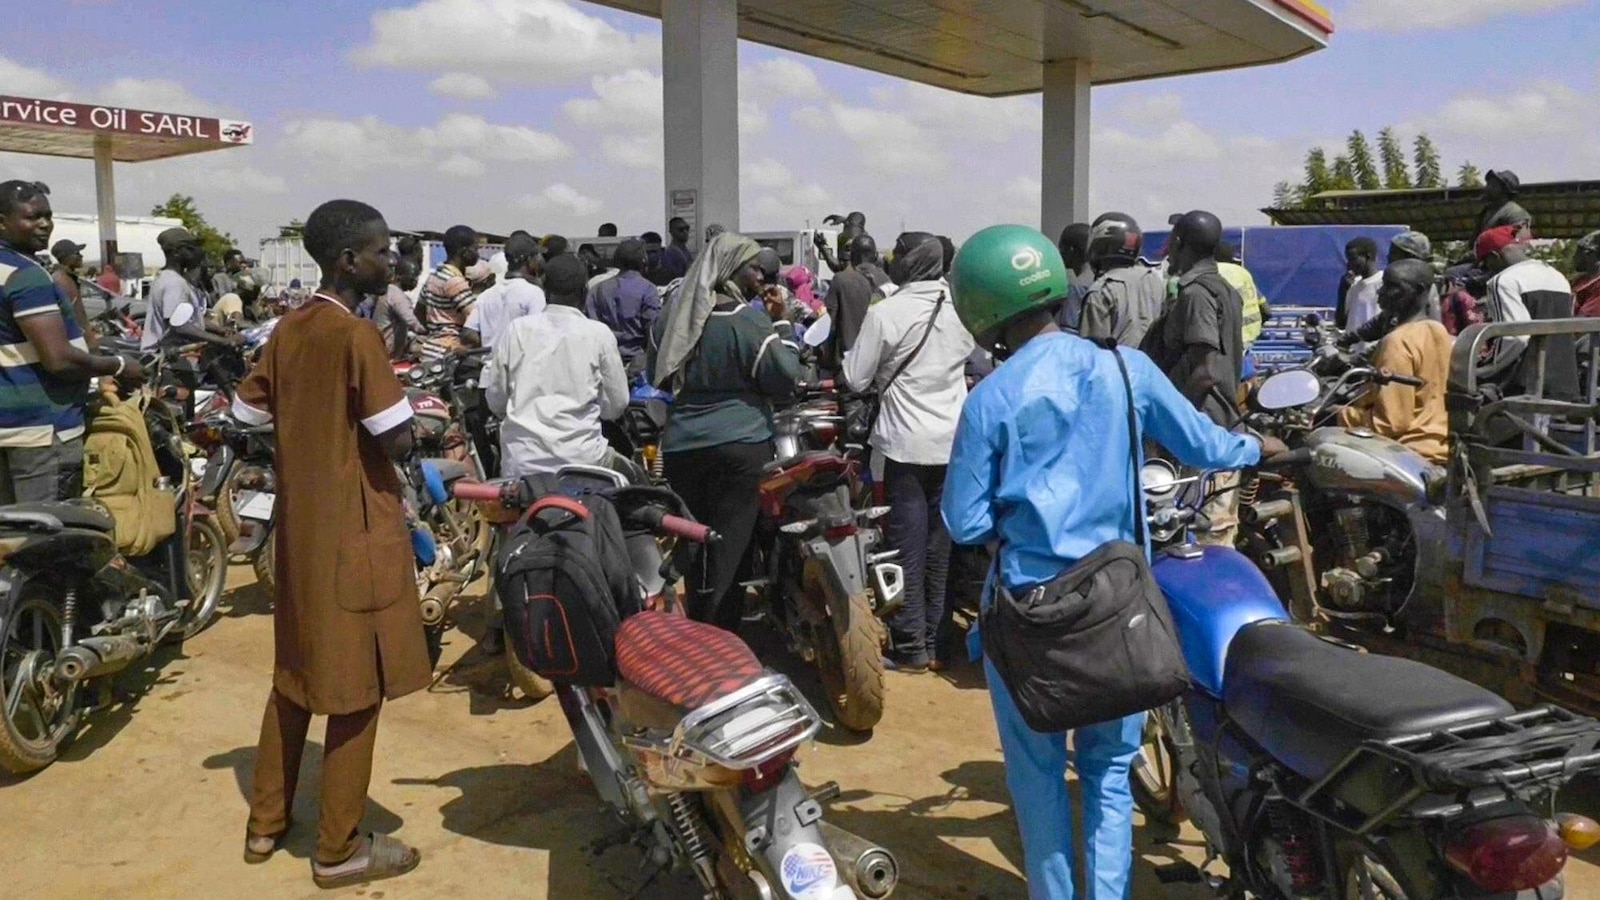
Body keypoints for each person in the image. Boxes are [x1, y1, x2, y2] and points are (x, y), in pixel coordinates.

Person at [941, 224, 1283, 900]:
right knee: (1108, 773)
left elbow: (965, 521)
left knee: (1037, 780)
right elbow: (1205, 444)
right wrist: (1256, 449)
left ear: (980, 311)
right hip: (1120, 605)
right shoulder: (1127, 368)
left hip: (1027, 614)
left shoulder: (990, 401)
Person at [231, 199, 427, 889]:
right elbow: (396, 437)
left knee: (294, 675)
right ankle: (339, 849)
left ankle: (265, 822)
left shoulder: (289, 327)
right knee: (355, 690)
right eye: (382, 251)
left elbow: (245, 410)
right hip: (354, 531)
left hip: (300, 533)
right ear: (349, 261)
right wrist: (418, 429)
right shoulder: (356, 335)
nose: (390, 261)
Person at [649, 232, 803, 631]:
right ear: (732, 270)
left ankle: (699, 627)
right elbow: (786, 377)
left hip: (682, 447)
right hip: (742, 446)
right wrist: (783, 324)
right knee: (731, 551)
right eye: (753, 268)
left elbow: (655, 374)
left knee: (695, 543)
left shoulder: (671, 320)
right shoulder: (746, 320)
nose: (759, 277)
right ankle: (722, 638)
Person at [842, 233, 973, 672]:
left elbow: (856, 378)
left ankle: (911, 646)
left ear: (909, 261)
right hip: (953, 442)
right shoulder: (961, 308)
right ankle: (938, 643)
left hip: (905, 444)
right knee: (941, 548)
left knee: (905, 548)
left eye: (897, 254)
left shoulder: (887, 312)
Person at [0, 180, 142, 503]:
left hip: (8, 426)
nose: (44, 224)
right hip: (41, 431)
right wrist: (119, 365)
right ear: (2, 222)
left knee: (9, 529)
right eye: (32, 217)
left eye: (48, 216)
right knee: (46, 528)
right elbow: (59, 359)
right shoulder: (26, 275)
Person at [1144, 211, 1246, 547]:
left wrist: (1171, 420)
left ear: (1178, 243)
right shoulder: (1226, 290)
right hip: (1217, 427)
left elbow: (1205, 371)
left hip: (1201, 432)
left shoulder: (1197, 294)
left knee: (1204, 537)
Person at [484, 254, 629, 477]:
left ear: (545, 290)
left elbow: (496, 399)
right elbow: (617, 405)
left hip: (522, 463)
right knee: (633, 477)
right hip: (584, 461)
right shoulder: (599, 334)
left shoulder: (517, 330)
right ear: (584, 293)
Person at [1337, 259, 1453, 463]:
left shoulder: (1397, 341)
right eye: (1384, 285)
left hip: (1409, 450)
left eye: (1392, 287)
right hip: (1441, 444)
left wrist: (1339, 415)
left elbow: (1391, 422)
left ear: (1419, 291)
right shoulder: (1438, 331)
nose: (1381, 293)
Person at [1477, 224, 1579, 402]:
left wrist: (1484, 369)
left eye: (1485, 265)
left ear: (1494, 256)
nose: (1487, 271)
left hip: (1524, 388)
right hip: (1563, 383)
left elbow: (1515, 337)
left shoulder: (1504, 281)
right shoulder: (1557, 276)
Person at [141, 227, 239, 351]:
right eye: (190, 249)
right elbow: (179, 326)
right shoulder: (174, 283)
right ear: (176, 252)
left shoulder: (168, 278)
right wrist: (223, 341)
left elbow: (189, 320)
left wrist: (220, 330)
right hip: (168, 356)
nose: (195, 252)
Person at [1078, 214, 1166, 348]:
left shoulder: (1101, 291)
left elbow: (1091, 350)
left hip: (1117, 361)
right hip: (1150, 361)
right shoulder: (1154, 280)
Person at [586, 238, 662, 377]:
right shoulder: (648, 290)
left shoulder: (597, 290)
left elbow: (591, 329)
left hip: (603, 362)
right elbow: (653, 332)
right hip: (638, 365)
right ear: (644, 261)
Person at [462, 232, 545, 351]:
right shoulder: (534, 294)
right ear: (528, 260)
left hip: (489, 362)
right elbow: (537, 334)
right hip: (518, 361)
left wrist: (493, 342)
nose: (539, 260)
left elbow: (468, 333)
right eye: (536, 256)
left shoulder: (486, 295)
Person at [822, 233, 892, 360]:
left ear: (852, 256)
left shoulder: (841, 280)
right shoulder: (889, 283)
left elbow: (829, 323)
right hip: (880, 359)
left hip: (849, 359)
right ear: (876, 256)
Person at [418, 224, 479, 350]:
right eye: (475, 248)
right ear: (464, 251)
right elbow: (475, 320)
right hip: (450, 350)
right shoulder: (455, 282)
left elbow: (419, 313)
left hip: (431, 347)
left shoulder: (433, 277)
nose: (477, 253)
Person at [1214, 242, 1268, 350]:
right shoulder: (1243, 273)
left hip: (1224, 344)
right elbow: (1266, 310)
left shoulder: (1213, 272)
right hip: (1247, 341)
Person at [373, 258, 425, 359]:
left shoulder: (389, 291)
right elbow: (413, 323)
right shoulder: (396, 295)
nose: (415, 281)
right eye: (412, 277)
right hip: (388, 353)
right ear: (399, 276)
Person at [49, 238, 95, 345]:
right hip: (75, 340)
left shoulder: (67, 277)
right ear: (66, 257)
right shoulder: (61, 279)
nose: (81, 256)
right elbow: (71, 314)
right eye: (77, 253)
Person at [1339, 237, 1382, 333]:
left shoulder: (1384, 282)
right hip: (1353, 341)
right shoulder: (1352, 284)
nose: (1349, 264)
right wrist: (1342, 291)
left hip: (1374, 342)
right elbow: (1341, 324)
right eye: (1348, 260)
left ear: (1368, 257)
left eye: (1353, 259)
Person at [1055, 222, 1093, 331]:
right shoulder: (1102, 281)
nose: (1060, 254)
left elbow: (1070, 330)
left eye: (1061, 249)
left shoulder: (1076, 288)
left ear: (1071, 251)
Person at [1478, 169, 1532, 239]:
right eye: (1488, 184)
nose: (1487, 188)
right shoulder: (1486, 212)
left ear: (1504, 190)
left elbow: (1521, 240)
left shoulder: (1517, 214)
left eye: (1493, 185)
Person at [1572, 231, 1600, 318]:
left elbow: (1585, 319)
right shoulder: (1579, 281)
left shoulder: (1598, 285)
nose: (1574, 257)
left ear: (1589, 253)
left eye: (1578, 252)